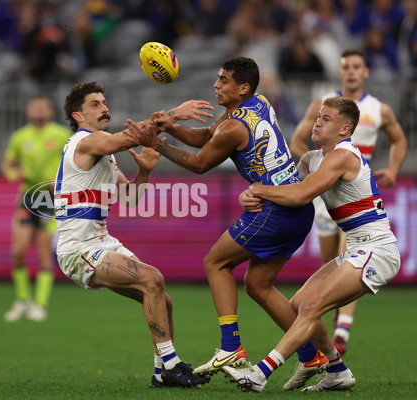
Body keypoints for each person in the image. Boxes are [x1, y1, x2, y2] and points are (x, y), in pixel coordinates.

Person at [123, 57, 329, 390]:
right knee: (258, 285)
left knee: (215, 262)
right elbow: (208, 135)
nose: (216, 85)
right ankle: (311, 356)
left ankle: (231, 347)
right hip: (295, 208)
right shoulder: (256, 103)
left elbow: (200, 162)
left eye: (223, 80)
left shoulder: (235, 126)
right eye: (218, 78)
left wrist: (156, 143)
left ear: (242, 87)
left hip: (275, 210)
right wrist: (170, 126)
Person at [223, 96, 400, 392]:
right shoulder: (311, 159)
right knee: (298, 306)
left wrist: (258, 190)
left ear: (345, 129)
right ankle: (337, 370)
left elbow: (299, 196)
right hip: (356, 248)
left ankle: (261, 372)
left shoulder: (344, 156)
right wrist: (249, 195)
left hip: (377, 250)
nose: (318, 122)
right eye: (319, 116)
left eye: (327, 119)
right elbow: (283, 188)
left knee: (310, 307)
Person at [55, 81, 213, 388]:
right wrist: (173, 115)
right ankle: (171, 365)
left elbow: (128, 199)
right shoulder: (84, 143)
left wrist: (145, 173)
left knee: (162, 301)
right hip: (78, 250)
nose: (104, 108)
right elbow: (129, 137)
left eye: (104, 102)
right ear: (78, 116)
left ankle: (160, 373)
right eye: (95, 104)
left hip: (101, 242)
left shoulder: (103, 151)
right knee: (152, 279)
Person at [289, 48, 407, 355]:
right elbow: (297, 141)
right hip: (329, 195)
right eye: (346, 67)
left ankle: (341, 332)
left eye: (357, 67)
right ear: (340, 72)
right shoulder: (324, 106)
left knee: (354, 253)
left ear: (365, 72)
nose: (352, 72)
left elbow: (399, 139)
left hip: (357, 194)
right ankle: (323, 334)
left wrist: (393, 168)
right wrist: (315, 169)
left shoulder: (379, 109)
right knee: (331, 268)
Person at [0, 96, 71, 322]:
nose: (39, 110)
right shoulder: (21, 136)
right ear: (28, 110)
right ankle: (22, 300)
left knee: (42, 252)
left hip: (49, 198)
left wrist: (60, 181)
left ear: (51, 111)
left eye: (43, 107)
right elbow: (8, 165)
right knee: (18, 252)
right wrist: (14, 175)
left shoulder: (61, 135)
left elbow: (74, 163)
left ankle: (39, 304)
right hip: (28, 196)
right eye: (35, 106)